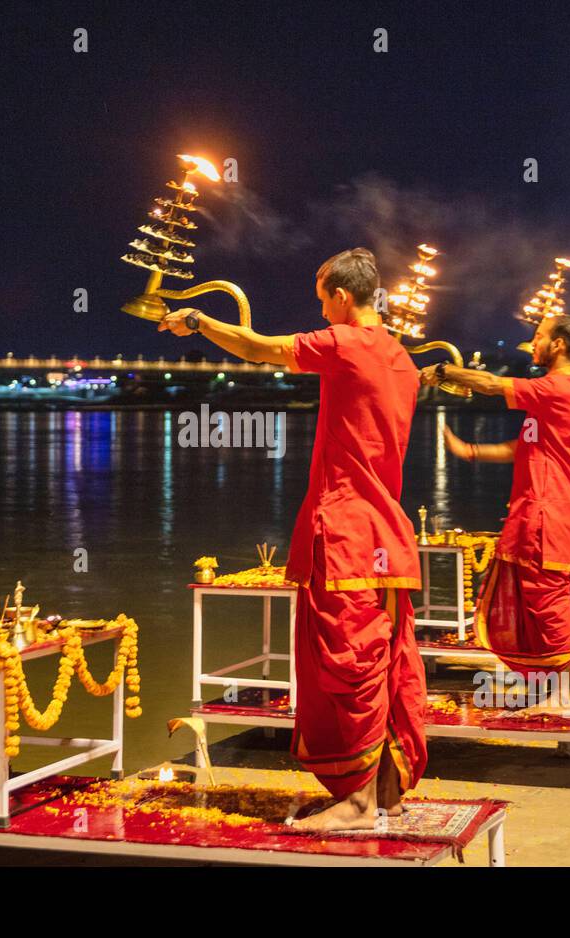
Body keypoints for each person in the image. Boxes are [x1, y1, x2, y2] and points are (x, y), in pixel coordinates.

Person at [160, 248, 426, 832]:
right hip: (388, 539)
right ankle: (386, 792)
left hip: (349, 533)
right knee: (383, 664)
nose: (320, 310)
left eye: (321, 298)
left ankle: (355, 805)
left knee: (344, 665)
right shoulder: (401, 359)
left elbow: (260, 347)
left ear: (340, 297)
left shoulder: (346, 344)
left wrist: (198, 321)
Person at [423, 313, 570, 732]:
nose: (531, 343)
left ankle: (565, 695)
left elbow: (494, 385)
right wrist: (472, 452)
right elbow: (525, 446)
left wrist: (444, 371)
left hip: (548, 510)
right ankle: (554, 688)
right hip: (546, 505)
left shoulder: (559, 386)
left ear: (557, 345)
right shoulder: (558, 394)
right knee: (544, 597)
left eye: (538, 337)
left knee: (545, 597)